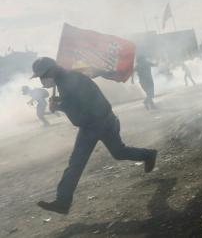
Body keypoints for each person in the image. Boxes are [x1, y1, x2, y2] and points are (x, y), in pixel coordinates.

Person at [31, 57, 157, 214]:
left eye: (44, 74)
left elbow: (82, 103)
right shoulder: (66, 79)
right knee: (119, 152)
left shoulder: (69, 79)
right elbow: (76, 99)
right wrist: (60, 102)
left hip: (94, 124)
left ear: (53, 68)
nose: (43, 79)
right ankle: (148, 155)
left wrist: (59, 105)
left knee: (76, 164)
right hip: (104, 120)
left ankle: (62, 202)